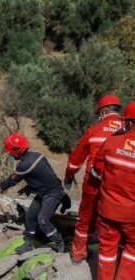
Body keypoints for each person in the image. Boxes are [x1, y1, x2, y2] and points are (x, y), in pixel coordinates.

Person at [64, 94, 123, 264]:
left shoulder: (94, 130)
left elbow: (75, 160)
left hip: (93, 183)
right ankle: (115, 258)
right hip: (120, 185)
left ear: (103, 111)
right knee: (117, 222)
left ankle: (78, 254)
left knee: (86, 218)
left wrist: (69, 176)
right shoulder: (129, 129)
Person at [0, 132, 66, 254]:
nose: (10, 154)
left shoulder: (24, 165)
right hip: (44, 192)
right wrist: (29, 186)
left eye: (11, 152)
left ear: (17, 150)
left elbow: (12, 180)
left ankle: (60, 243)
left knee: (42, 220)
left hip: (52, 194)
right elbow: (42, 176)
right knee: (30, 216)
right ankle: (29, 243)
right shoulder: (37, 155)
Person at [92, 102, 135, 280]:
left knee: (107, 248)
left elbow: (96, 171)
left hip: (107, 210)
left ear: (129, 122)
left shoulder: (111, 141)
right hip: (132, 215)